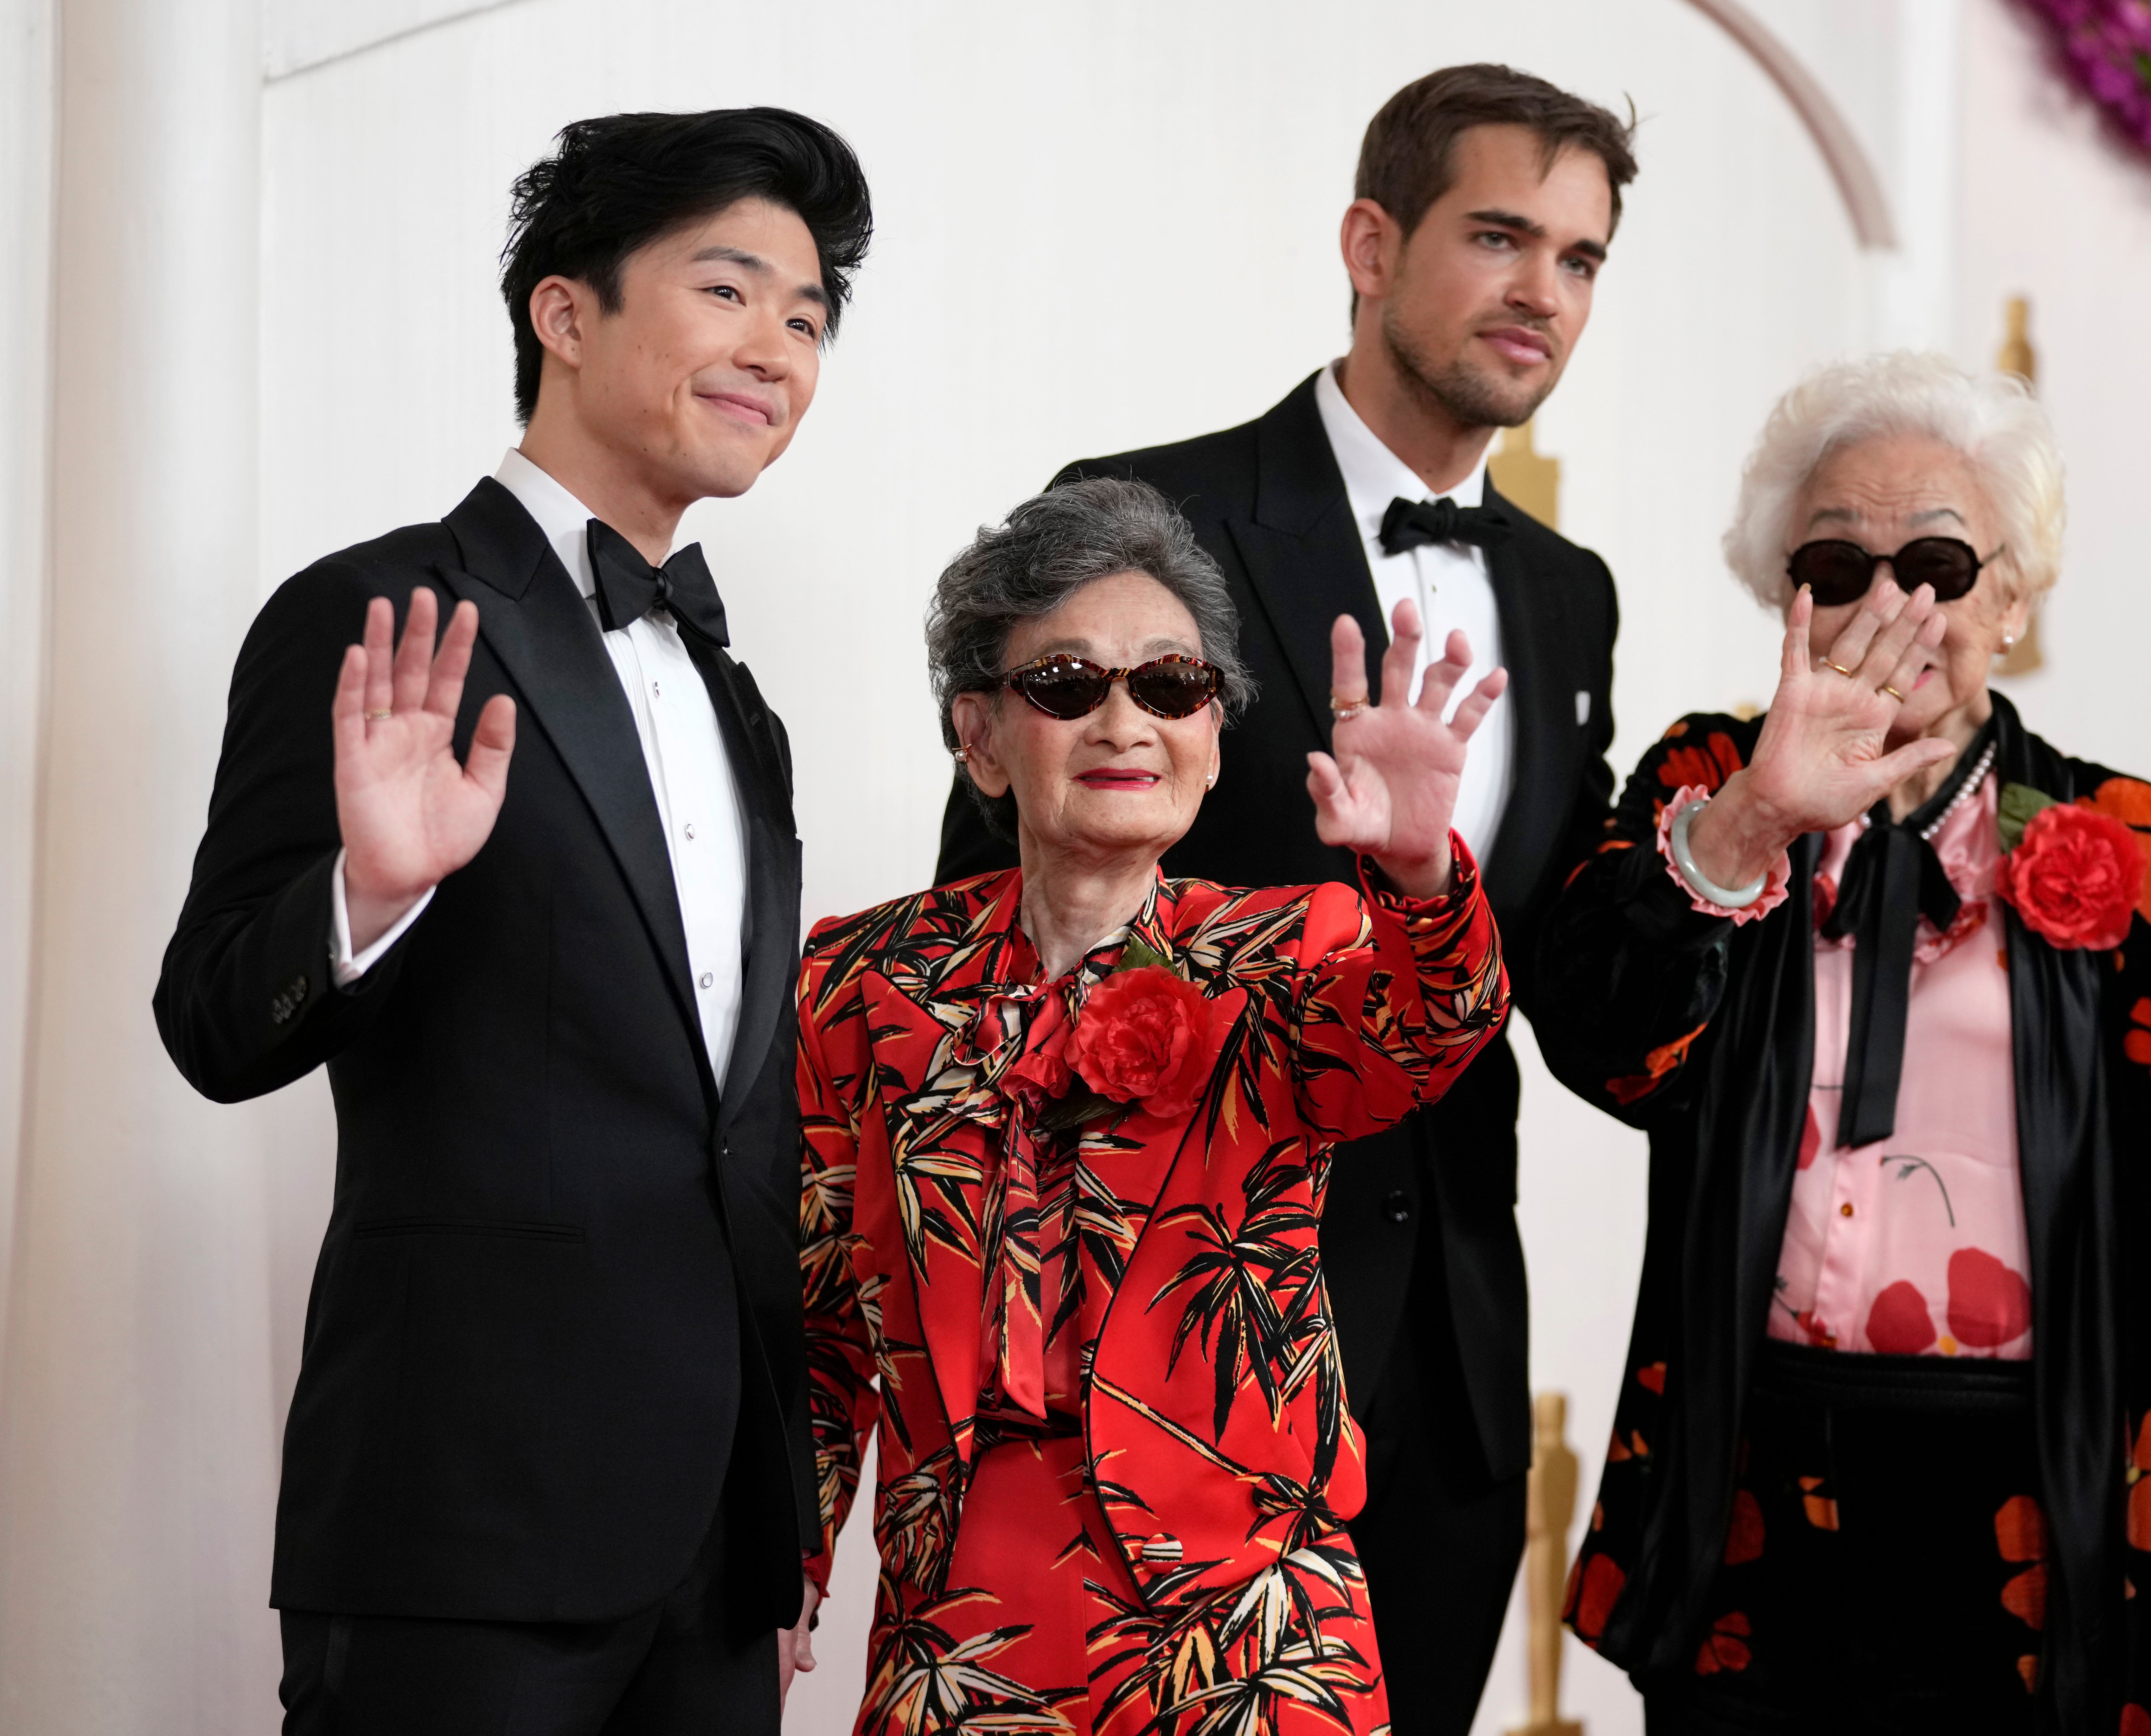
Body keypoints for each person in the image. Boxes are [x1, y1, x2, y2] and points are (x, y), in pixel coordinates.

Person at [932, 66, 1635, 1728]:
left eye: (1585, 260)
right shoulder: (1137, 513)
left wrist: (1743, 828)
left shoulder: (1566, 593)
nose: (1545, 291)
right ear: (1371, 243)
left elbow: (1559, 980)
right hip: (1153, 1358)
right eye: (1501, 235)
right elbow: (987, 936)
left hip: (1448, 1381)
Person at [153, 109, 870, 1732]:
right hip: (459, 1523)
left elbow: (732, 1130)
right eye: (732, 290)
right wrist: (371, 893)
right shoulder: (380, 612)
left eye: (810, 317)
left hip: (713, 1543)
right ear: (564, 310)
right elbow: (208, 1017)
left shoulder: (739, 706)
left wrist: (779, 1504)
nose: (778, 347)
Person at [1541, 354, 2151, 1733]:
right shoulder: (1703, 783)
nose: (1889, 606)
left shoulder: (2133, 843)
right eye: (1836, 565)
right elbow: (1602, 1044)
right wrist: (1753, 823)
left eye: (1936, 561)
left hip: (2031, 1479)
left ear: (2016, 596)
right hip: (1753, 1457)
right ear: (1783, 594)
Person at [803, 478, 1511, 1733]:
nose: (1123, 719)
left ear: (1212, 730)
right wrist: (784, 1569)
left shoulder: (1299, 950)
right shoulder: (861, 984)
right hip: (963, 1635)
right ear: (978, 736)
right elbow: (817, 1321)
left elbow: (1431, 1028)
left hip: (1253, 1642)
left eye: (1170, 685)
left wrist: (1415, 874)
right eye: (1068, 683)